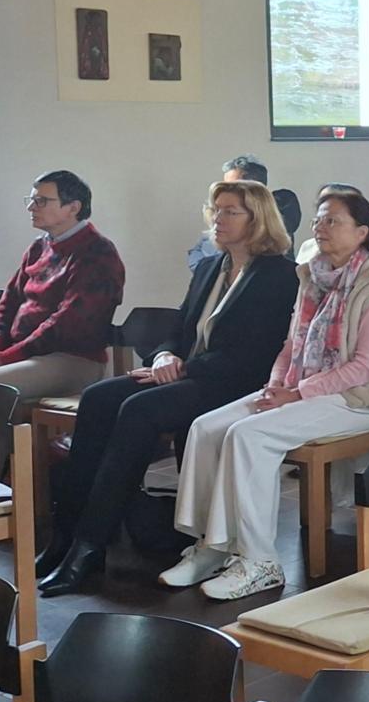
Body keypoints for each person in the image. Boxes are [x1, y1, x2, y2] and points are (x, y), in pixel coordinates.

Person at [37, 180, 297, 597]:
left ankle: (89, 548)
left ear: (258, 219)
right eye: (216, 210)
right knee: (99, 398)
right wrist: (162, 357)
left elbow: (254, 352)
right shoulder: (212, 267)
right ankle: (66, 536)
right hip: (189, 372)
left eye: (231, 211)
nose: (219, 219)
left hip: (233, 381)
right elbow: (177, 328)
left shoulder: (278, 275)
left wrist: (183, 367)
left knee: (140, 409)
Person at [164, 190, 369, 601]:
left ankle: (259, 561)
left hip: (361, 398)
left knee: (250, 435)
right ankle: (212, 547)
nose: (321, 228)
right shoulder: (313, 275)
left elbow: (365, 367)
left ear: (361, 233)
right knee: (207, 427)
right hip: (305, 386)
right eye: (319, 220)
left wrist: (298, 393)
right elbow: (291, 345)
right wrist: (277, 383)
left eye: (333, 221)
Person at [0, 171, 126, 433]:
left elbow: (67, 324)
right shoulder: (38, 247)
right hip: (21, 354)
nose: (31, 207)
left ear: (73, 207)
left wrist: (5, 359)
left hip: (74, 359)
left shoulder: (98, 252)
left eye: (42, 201)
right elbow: (8, 303)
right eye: (30, 200)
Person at [188, 155, 302, 267]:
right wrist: (208, 270)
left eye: (234, 187)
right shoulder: (219, 215)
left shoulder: (281, 206)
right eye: (224, 185)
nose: (226, 191)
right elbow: (197, 253)